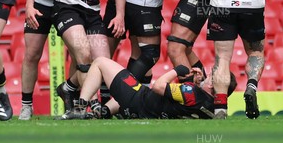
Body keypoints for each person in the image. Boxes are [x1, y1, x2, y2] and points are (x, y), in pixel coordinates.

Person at [63, 56, 236, 120]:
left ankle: (79, 107)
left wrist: (177, 70)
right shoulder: (213, 107)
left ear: (213, 84)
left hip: (138, 99)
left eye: (211, 77)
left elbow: (158, 86)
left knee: (100, 62)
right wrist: (198, 83)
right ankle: (103, 112)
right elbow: (190, 102)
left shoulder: (192, 93)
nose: (208, 77)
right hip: (146, 109)